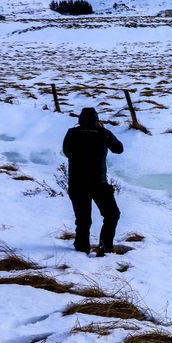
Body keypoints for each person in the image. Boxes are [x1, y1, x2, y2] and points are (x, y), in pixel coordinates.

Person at [62, 107, 124, 256]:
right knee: (112, 214)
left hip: (77, 183)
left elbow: (66, 152)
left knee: (83, 220)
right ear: (97, 120)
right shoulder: (103, 133)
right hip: (99, 183)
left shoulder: (72, 133)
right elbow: (119, 149)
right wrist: (103, 131)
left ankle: (81, 250)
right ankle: (105, 246)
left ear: (80, 120)